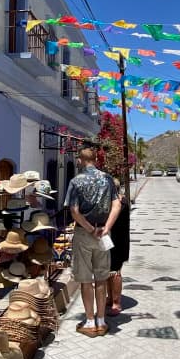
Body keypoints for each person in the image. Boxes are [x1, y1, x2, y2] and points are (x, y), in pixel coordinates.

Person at [65, 144, 121, 337]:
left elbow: (74, 210)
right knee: (101, 278)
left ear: (80, 160)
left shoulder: (76, 181)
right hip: (103, 234)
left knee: (85, 279)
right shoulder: (107, 179)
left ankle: (89, 321)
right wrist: (106, 228)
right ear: (95, 160)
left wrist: (90, 229)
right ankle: (101, 320)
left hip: (84, 234)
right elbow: (116, 204)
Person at [106, 178, 130, 316]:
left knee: (115, 272)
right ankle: (110, 298)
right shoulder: (119, 201)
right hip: (110, 241)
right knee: (108, 272)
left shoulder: (120, 203)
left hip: (117, 242)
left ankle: (116, 302)